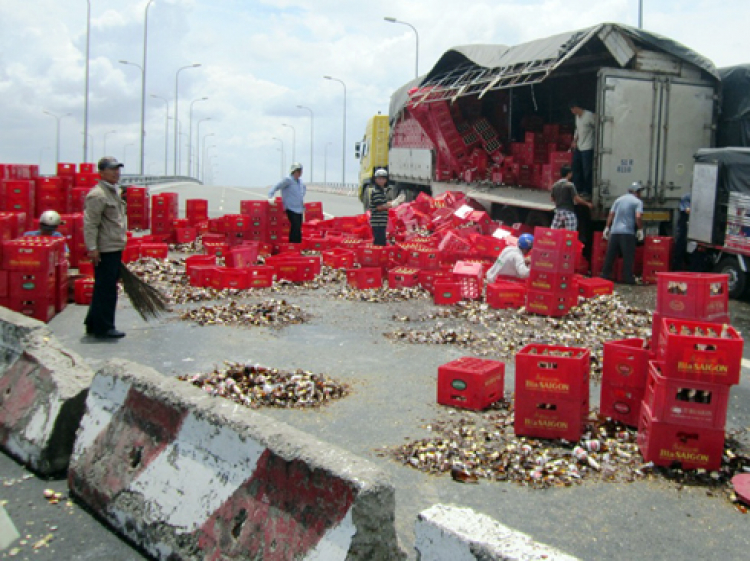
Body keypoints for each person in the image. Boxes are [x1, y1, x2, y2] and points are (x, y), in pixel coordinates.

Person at [83, 156, 128, 339]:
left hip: (114, 245)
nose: (116, 172)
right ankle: (105, 328)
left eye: (118, 169)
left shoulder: (113, 192)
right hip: (105, 248)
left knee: (103, 286)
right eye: (112, 169)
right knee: (107, 289)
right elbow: (90, 223)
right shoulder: (98, 195)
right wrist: (92, 248)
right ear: (101, 173)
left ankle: (93, 323)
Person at [601, 182, 644, 285]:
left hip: (614, 232)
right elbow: (638, 217)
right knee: (628, 256)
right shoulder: (637, 202)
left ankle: (605, 276)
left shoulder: (618, 200)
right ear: (636, 192)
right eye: (640, 192)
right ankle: (628, 278)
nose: (640, 194)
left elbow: (611, 214)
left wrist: (607, 227)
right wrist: (640, 229)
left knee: (610, 256)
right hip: (627, 233)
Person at [268, 162, 306, 244]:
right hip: (291, 208)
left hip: (299, 208)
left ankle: (297, 245)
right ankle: (293, 245)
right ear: (294, 171)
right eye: (298, 171)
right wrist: (270, 196)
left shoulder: (300, 182)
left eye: (301, 171)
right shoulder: (288, 180)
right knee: (295, 226)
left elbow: (303, 190)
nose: (300, 173)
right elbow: (276, 186)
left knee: (298, 228)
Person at [550, 165, 592, 231]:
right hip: (568, 213)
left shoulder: (555, 185)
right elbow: (576, 199)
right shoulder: (570, 185)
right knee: (570, 234)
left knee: (554, 232)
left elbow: (552, 199)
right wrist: (587, 204)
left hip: (558, 212)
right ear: (569, 174)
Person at [569, 101, 596, 197]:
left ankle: (587, 190)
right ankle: (577, 188)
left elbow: (597, 126)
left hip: (588, 146)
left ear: (576, 107)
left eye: (572, 109)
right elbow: (577, 130)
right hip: (579, 146)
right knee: (576, 167)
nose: (572, 112)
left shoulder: (588, 115)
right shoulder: (577, 117)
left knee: (587, 169)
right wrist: (574, 141)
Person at [673, 193, 691, 271]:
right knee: (680, 246)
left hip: (685, 228)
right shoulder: (686, 197)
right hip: (683, 228)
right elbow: (687, 210)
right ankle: (677, 268)